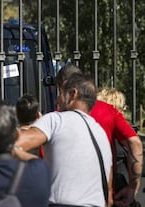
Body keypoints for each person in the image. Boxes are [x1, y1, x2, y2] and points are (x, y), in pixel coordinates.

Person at [16, 73, 113, 206]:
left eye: (60, 94)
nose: (57, 101)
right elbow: (108, 188)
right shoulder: (100, 132)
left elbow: (15, 143)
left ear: (73, 94)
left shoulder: (56, 120)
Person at [57, 64, 143, 207]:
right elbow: (135, 143)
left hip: (70, 195)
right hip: (105, 191)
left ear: (63, 87)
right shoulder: (108, 110)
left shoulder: (57, 118)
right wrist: (133, 186)